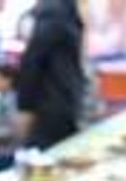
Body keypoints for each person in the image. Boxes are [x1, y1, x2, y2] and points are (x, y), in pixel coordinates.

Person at [14, 0, 86, 151]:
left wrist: (24, 106)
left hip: (54, 104)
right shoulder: (59, 12)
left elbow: (32, 62)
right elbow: (33, 62)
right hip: (57, 103)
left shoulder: (56, 12)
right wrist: (24, 107)